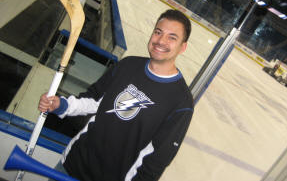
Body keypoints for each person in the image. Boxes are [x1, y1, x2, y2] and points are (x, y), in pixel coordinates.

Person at [39, 9, 194, 181]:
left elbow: (156, 160)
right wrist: (60, 105)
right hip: (72, 164)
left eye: (172, 37)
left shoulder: (181, 102)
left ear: (183, 47)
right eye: (158, 32)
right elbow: (93, 99)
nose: (161, 41)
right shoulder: (127, 65)